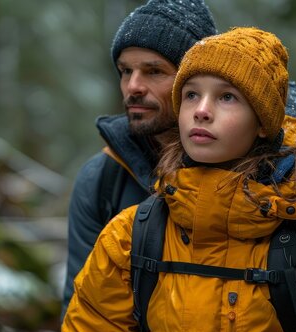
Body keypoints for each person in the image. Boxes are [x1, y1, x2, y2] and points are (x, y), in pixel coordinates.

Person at [53, 27, 296, 332]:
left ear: (263, 123)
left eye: (227, 97)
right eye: (191, 94)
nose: (202, 110)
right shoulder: (130, 238)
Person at [63, 0, 217, 312]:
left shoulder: (255, 170)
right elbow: (85, 312)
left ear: (196, 82)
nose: (133, 86)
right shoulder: (101, 179)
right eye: (125, 71)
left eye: (153, 71)